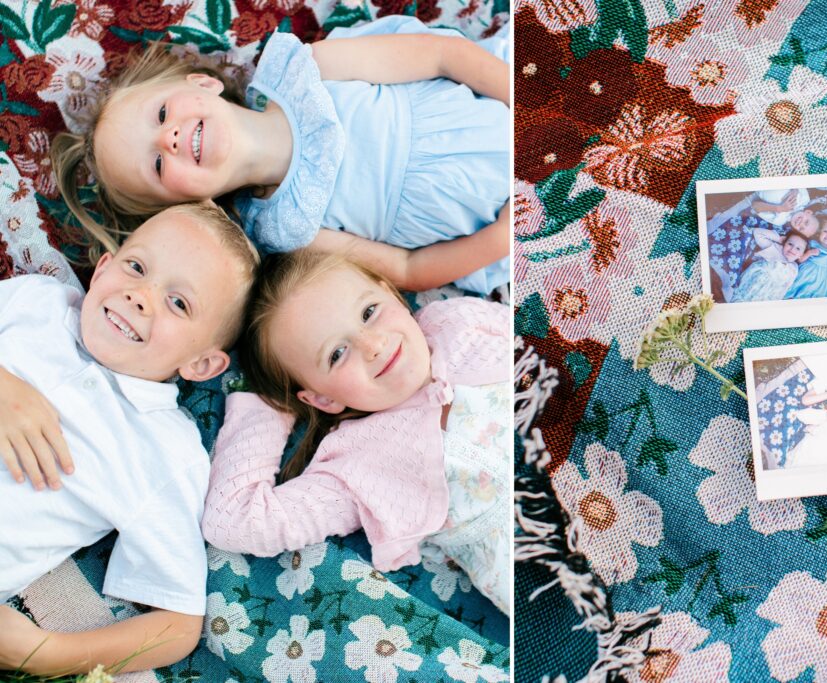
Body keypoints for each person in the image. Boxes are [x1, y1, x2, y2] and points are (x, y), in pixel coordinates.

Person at [52, 16, 510, 294]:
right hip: (493, 224)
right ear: (187, 206)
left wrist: (522, 100)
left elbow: (444, 56)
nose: (168, 138)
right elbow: (406, 268)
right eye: (156, 165)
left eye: (163, 113)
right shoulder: (287, 229)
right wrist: (501, 237)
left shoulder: (309, 71)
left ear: (202, 83)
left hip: (503, 101)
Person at [0, 204, 259, 675]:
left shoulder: (165, 453)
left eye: (179, 303)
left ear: (201, 365)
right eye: (137, 267)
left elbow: (178, 625)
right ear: (102, 270)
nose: (141, 296)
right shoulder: (36, 304)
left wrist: (46, 653)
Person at [202, 250, 511, 613]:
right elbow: (234, 521)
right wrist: (272, 407)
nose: (373, 346)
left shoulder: (459, 322)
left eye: (369, 312)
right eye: (336, 354)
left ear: (390, 293)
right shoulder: (358, 465)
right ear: (321, 398)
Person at [730, 229, 809, 303]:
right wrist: (778, 239)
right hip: (756, 282)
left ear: (801, 255)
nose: (792, 249)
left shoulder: (794, 268)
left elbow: (786, 286)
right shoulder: (774, 248)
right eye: (790, 244)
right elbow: (757, 232)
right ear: (784, 243)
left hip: (769, 294)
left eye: (798, 248)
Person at [786, 218, 827, 299]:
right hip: (807, 273)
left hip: (824, 278)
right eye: (825, 231)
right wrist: (809, 253)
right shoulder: (812, 244)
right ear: (819, 232)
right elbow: (800, 260)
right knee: (802, 290)